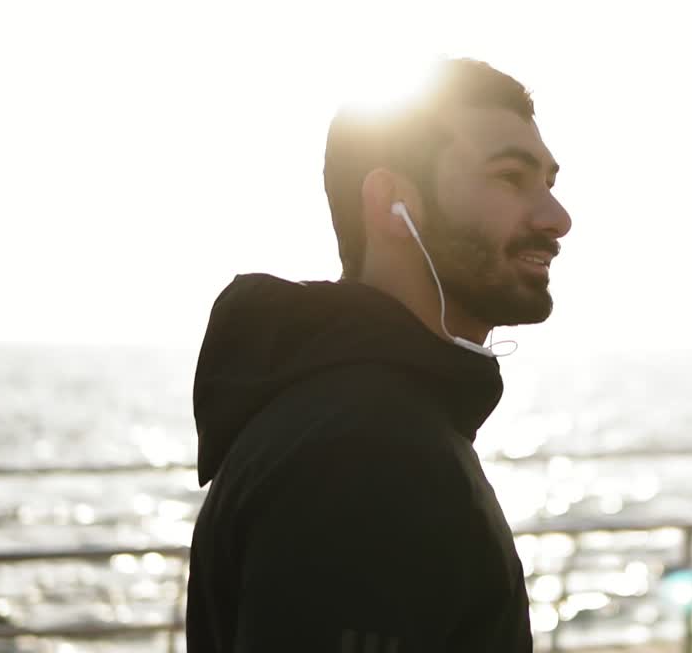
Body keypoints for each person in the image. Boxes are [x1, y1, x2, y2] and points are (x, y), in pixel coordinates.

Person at [186, 58, 572, 652]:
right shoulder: (370, 452)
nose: (556, 218)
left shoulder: (349, 412)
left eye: (548, 183)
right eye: (509, 178)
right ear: (394, 201)